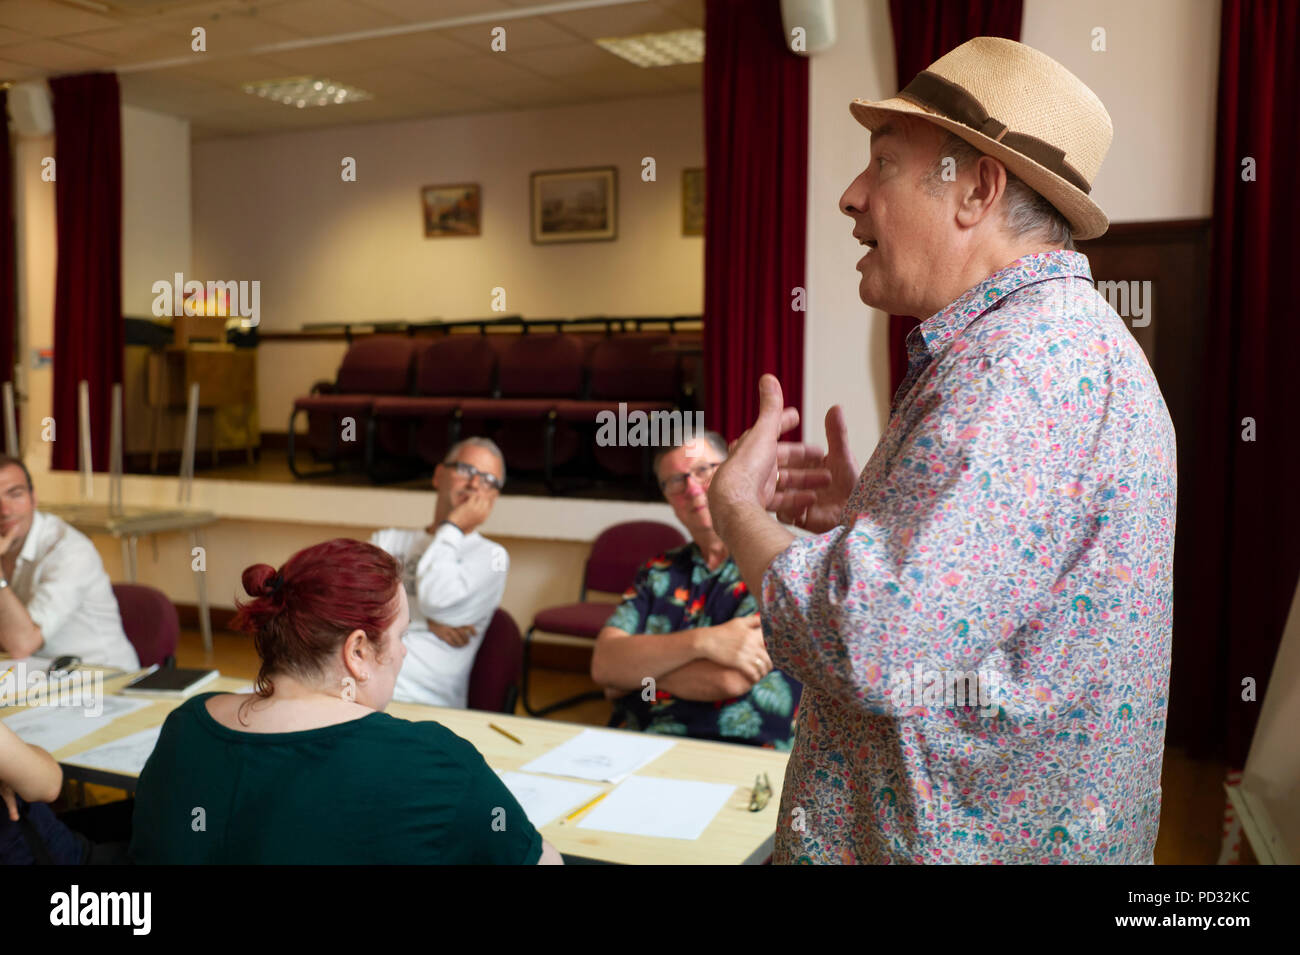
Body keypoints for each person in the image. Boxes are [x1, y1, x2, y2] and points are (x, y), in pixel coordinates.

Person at [707, 38, 1176, 863]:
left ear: (977, 189)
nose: (851, 196)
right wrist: (871, 522)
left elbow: (869, 639)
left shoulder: (1021, 370)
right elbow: (962, 613)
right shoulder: (1059, 347)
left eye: (882, 164)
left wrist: (739, 512)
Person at [130, 538, 560, 864]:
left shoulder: (186, 724)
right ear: (357, 652)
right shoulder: (435, 761)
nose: (405, 653)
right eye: (401, 636)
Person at [591, 433, 801, 749]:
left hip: (739, 747)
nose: (691, 488)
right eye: (675, 481)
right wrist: (707, 642)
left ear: (731, 473)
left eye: (703, 470)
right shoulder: (657, 570)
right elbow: (605, 664)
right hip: (638, 743)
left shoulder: (780, 563)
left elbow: (729, 679)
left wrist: (635, 678)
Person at [370, 437, 509, 708]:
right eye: (466, 470)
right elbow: (349, 613)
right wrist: (425, 623)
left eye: (488, 480)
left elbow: (435, 598)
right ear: (438, 476)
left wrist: (453, 528)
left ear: (494, 497)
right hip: (357, 682)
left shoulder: (492, 558)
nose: (474, 484)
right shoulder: (385, 541)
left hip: (419, 700)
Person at [0, 455, 137, 671]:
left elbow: (22, 644)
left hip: (103, 679)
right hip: (34, 676)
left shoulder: (70, 550)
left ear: (33, 498)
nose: (5, 510)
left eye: (15, 495)